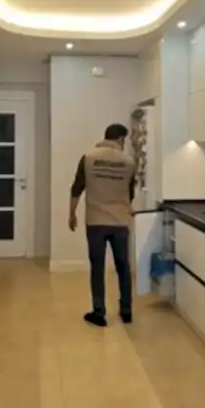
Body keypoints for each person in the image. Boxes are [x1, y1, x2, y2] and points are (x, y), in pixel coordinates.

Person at [68, 123, 138, 327]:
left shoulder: (88, 158)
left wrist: (72, 214)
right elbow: (130, 193)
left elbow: (76, 188)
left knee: (97, 267)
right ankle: (126, 311)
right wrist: (126, 207)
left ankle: (99, 312)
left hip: (96, 222)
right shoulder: (129, 162)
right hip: (120, 222)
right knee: (123, 266)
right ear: (121, 139)